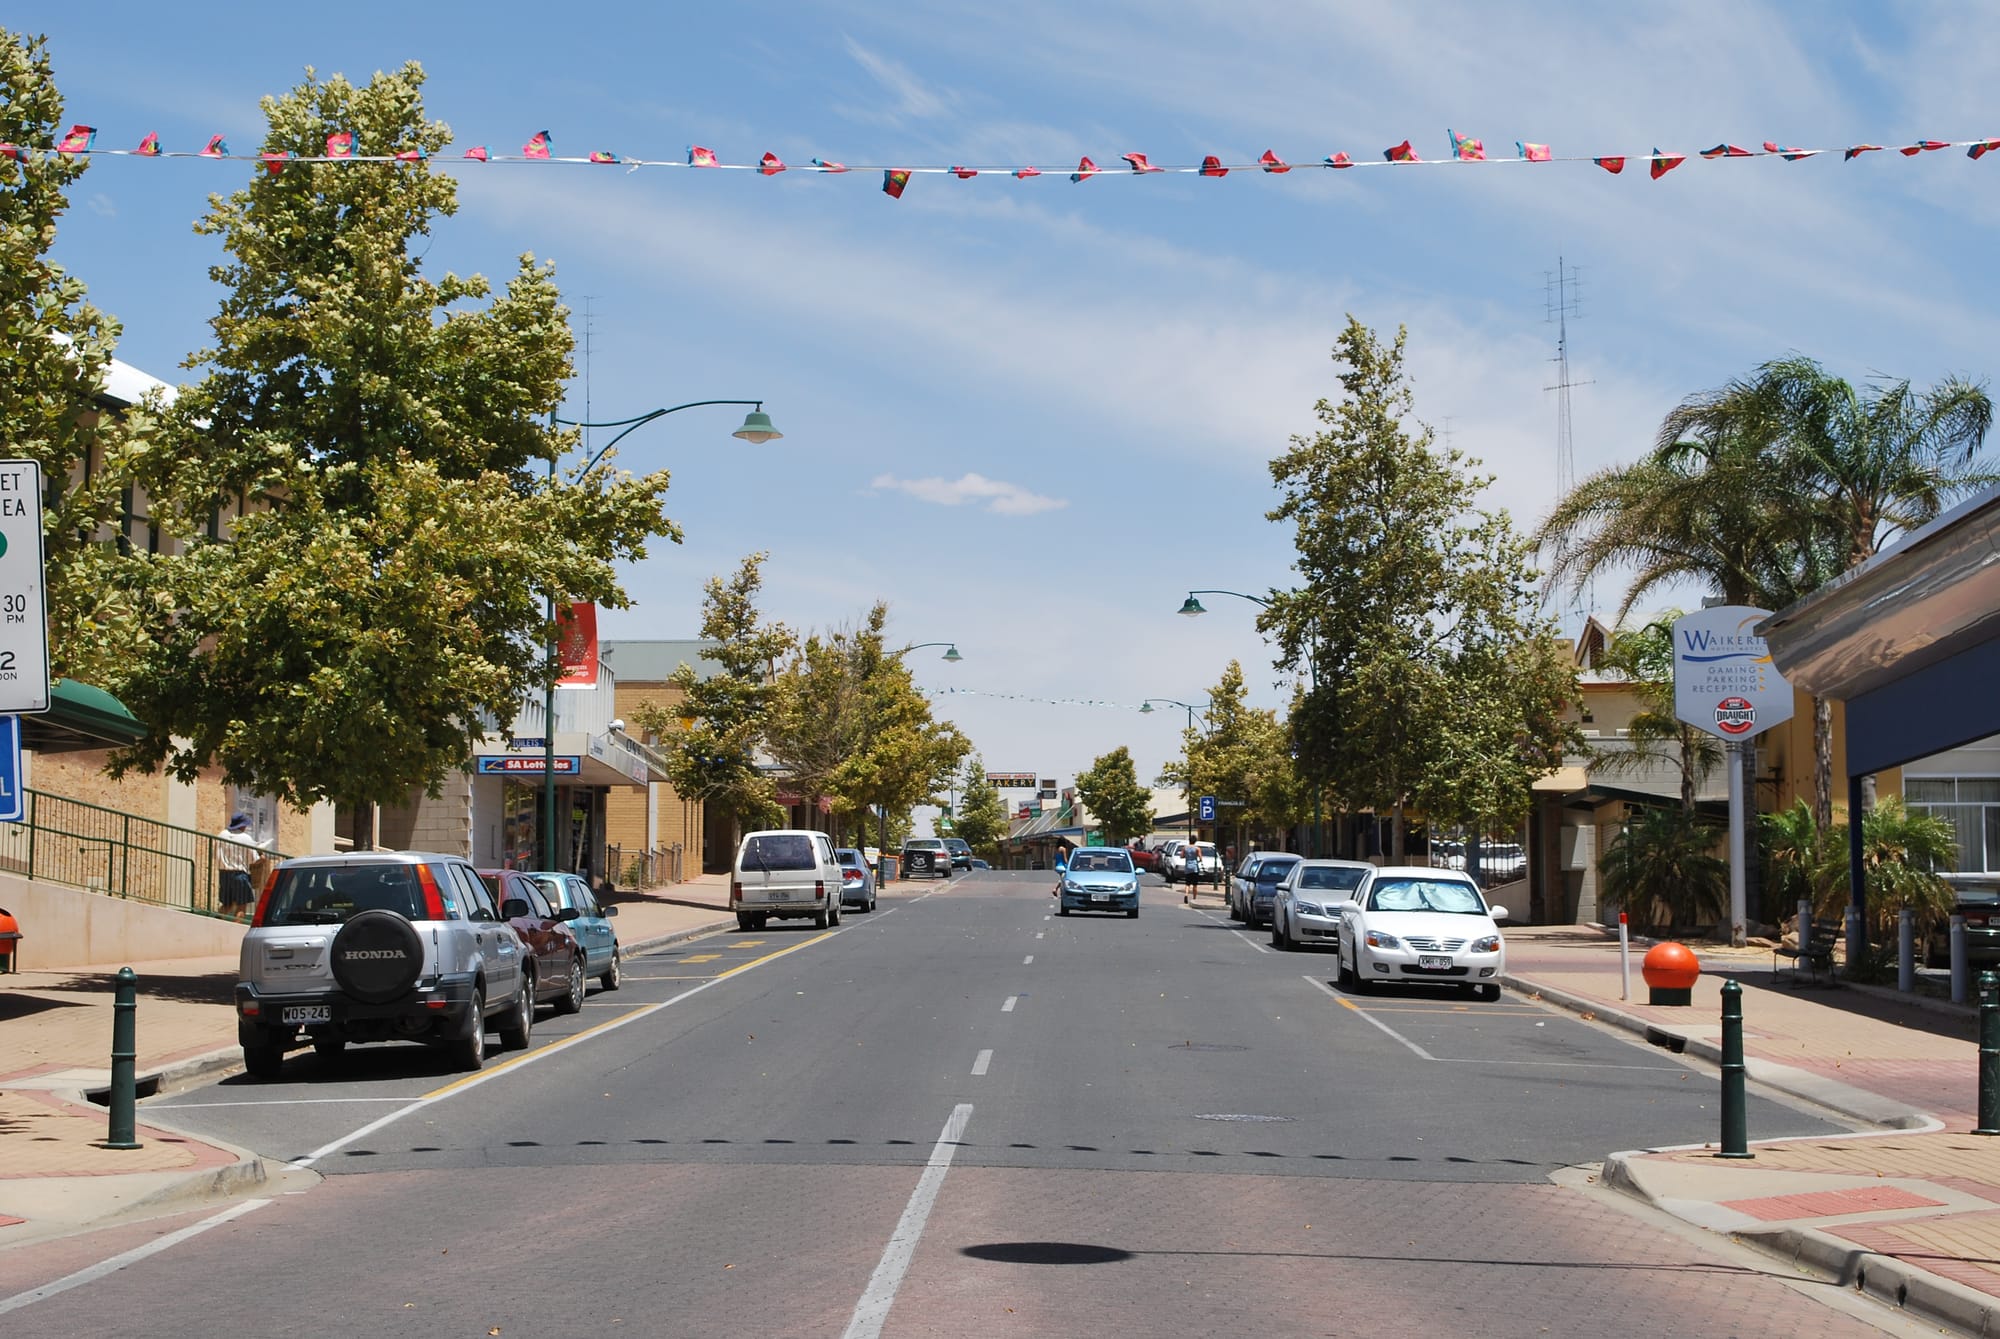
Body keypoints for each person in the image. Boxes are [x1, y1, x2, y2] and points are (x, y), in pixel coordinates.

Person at [214, 813, 267, 918]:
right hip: (239, 874)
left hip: (224, 873)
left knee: (227, 904)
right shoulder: (245, 838)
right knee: (241, 906)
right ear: (242, 825)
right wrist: (262, 860)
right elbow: (253, 859)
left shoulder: (222, 834)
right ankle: (236, 930)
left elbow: (215, 853)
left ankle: (214, 924)